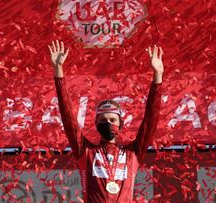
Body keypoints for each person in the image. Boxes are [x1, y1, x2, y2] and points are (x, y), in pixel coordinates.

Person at [48, 40, 164, 202]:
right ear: (96, 124)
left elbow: (150, 121)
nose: (108, 123)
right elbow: (68, 119)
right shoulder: (86, 152)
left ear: (121, 124)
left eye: (112, 119)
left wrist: (158, 77)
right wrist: (58, 71)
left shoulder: (132, 154)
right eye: (103, 120)